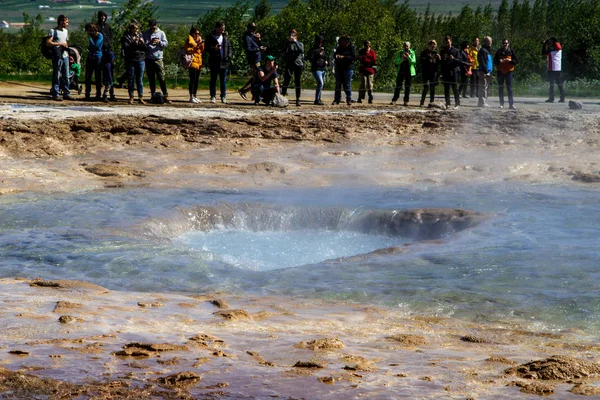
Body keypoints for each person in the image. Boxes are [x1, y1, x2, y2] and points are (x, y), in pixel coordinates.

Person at [205, 21, 233, 104]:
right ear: (217, 28)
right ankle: (213, 96)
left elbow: (230, 47)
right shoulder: (210, 37)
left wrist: (229, 56)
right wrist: (214, 49)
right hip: (214, 61)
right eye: (222, 28)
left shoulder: (226, 37)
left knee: (223, 80)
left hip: (224, 62)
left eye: (224, 28)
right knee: (213, 79)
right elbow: (207, 48)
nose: (223, 29)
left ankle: (223, 96)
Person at [143, 20, 170, 104]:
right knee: (151, 79)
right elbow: (143, 45)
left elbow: (166, 44)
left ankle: (166, 96)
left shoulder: (161, 33)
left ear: (156, 26)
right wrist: (149, 42)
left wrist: (159, 42)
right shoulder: (145, 33)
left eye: (153, 27)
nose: (152, 29)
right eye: (151, 27)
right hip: (149, 58)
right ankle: (153, 95)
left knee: (161, 77)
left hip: (158, 58)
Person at [47, 14, 73, 101]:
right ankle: (56, 93)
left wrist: (69, 55)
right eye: (66, 22)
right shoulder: (53, 31)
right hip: (57, 55)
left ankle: (67, 93)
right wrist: (59, 44)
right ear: (61, 22)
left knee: (66, 75)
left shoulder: (66, 31)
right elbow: (48, 42)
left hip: (65, 55)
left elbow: (66, 43)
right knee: (57, 74)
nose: (67, 24)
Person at [121, 22, 146, 104]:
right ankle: (131, 96)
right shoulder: (126, 37)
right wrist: (134, 44)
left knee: (140, 79)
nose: (136, 31)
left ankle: (140, 96)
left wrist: (142, 44)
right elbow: (126, 48)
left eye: (137, 29)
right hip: (131, 59)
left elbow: (145, 48)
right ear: (131, 29)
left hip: (141, 58)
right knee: (131, 78)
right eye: (134, 29)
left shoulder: (140, 36)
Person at [239, 24, 265, 100]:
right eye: (253, 29)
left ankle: (250, 91)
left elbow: (258, 45)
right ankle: (246, 90)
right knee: (258, 77)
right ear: (249, 28)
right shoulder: (247, 37)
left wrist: (259, 40)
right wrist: (258, 50)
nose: (254, 30)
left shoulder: (252, 37)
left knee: (256, 77)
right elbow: (248, 49)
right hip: (254, 60)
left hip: (258, 59)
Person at [281, 29, 304, 106]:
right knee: (286, 80)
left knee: (297, 81)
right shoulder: (288, 44)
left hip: (298, 64)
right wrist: (288, 42)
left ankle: (298, 99)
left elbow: (301, 50)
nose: (292, 36)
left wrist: (295, 42)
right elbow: (283, 50)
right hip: (289, 64)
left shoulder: (300, 43)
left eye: (294, 35)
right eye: (291, 35)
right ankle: (282, 97)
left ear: (296, 36)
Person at [332, 35, 357, 105]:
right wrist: (337, 56)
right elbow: (335, 54)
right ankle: (337, 99)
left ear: (347, 42)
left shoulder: (352, 47)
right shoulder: (339, 47)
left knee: (347, 84)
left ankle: (348, 98)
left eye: (343, 41)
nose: (341, 43)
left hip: (348, 68)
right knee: (338, 84)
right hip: (339, 67)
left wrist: (344, 57)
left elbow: (354, 57)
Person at [494, 38, 518, 109]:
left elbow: (516, 60)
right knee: (500, 88)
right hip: (500, 72)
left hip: (509, 72)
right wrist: (499, 61)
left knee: (509, 88)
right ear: (502, 44)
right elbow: (494, 61)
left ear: (508, 44)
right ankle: (501, 104)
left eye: (506, 43)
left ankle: (511, 104)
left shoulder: (511, 51)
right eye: (504, 43)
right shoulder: (498, 51)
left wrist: (510, 60)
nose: (505, 44)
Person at [96, 10, 115, 102]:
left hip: (109, 50)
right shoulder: (97, 27)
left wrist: (110, 44)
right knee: (103, 71)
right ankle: (100, 93)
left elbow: (111, 37)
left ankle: (111, 93)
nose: (103, 18)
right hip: (101, 51)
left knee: (110, 70)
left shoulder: (108, 26)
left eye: (104, 16)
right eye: (101, 16)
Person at [391, 41, 416, 106]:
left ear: (409, 46)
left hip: (409, 72)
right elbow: (396, 62)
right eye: (404, 46)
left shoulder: (412, 53)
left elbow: (413, 61)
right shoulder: (400, 53)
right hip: (401, 71)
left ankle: (406, 101)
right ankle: (394, 100)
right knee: (398, 86)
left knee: (407, 87)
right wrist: (402, 58)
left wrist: (408, 56)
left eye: (407, 46)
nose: (406, 47)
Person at [439, 35, 461, 109]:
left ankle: (457, 104)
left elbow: (459, 61)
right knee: (446, 89)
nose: (447, 44)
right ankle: (447, 103)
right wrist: (441, 73)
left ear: (451, 42)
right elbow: (441, 63)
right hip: (446, 72)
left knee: (455, 88)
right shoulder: (442, 51)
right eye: (445, 42)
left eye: (448, 42)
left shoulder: (456, 50)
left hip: (454, 72)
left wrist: (454, 58)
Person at [84, 23, 103, 101]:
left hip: (97, 57)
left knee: (98, 76)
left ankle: (98, 93)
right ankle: (87, 93)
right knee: (88, 75)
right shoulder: (92, 36)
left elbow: (96, 45)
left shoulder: (100, 36)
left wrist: (90, 39)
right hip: (90, 56)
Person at [185, 27, 204, 103]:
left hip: (199, 62)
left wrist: (201, 44)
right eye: (196, 33)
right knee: (192, 79)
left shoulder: (199, 40)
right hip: (192, 61)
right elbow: (188, 51)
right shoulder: (188, 41)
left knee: (196, 80)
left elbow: (202, 51)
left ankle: (195, 95)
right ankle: (191, 96)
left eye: (198, 33)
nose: (197, 35)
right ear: (192, 33)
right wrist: (196, 46)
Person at [542, 37, 565, 103]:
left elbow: (558, 47)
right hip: (551, 67)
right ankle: (551, 98)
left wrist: (548, 42)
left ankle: (562, 97)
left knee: (559, 83)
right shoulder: (551, 49)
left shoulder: (557, 46)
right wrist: (544, 45)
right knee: (551, 84)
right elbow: (544, 53)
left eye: (551, 41)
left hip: (556, 68)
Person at [308, 35, 328, 105]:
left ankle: (318, 98)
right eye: (319, 42)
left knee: (320, 85)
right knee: (320, 83)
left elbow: (325, 57)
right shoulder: (313, 50)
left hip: (322, 69)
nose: (320, 43)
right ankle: (316, 99)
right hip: (316, 69)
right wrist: (317, 54)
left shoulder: (323, 50)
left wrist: (326, 62)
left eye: (321, 42)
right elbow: (310, 58)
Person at [419, 40, 440, 107]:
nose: (433, 48)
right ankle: (422, 102)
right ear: (429, 45)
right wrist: (428, 58)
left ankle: (432, 102)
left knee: (432, 88)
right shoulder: (424, 53)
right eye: (432, 46)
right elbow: (421, 61)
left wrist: (439, 59)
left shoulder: (436, 53)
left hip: (433, 73)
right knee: (426, 87)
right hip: (426, 72)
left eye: (434, 47)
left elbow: (438, 64)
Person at [477, 36, 493, 107]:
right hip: (483, 71)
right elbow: (482, 62)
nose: (491, 43)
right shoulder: (483, 50)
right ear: (486, 42)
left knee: (485, 86)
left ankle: (483, 101)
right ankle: (482, 102)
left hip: (487, 71)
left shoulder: (487, 50)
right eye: (489, 42)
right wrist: (486, 71)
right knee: (483, 87)